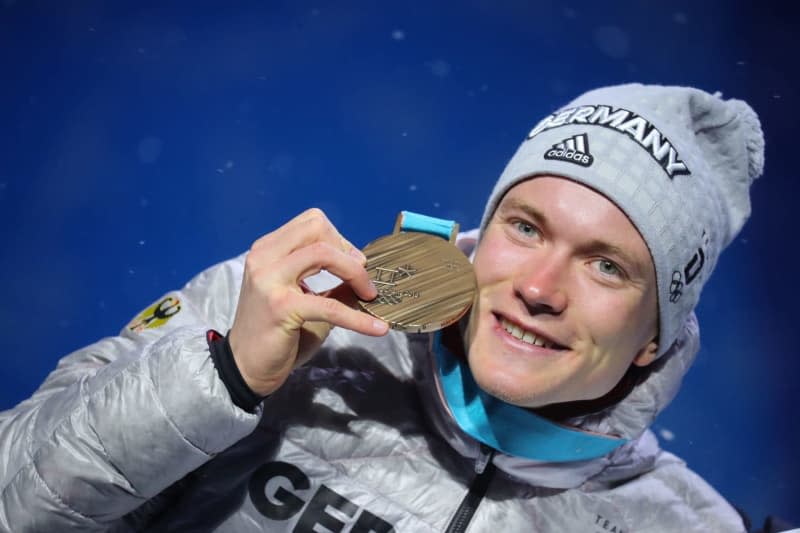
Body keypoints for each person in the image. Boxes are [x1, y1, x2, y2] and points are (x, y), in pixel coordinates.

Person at [0, 83, 765, 532]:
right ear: (481, 235)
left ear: (653, 337)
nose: (540, 287)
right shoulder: (281, 319)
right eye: (526, 228)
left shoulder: (683, 523)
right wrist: (222, 375)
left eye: (607, 265)